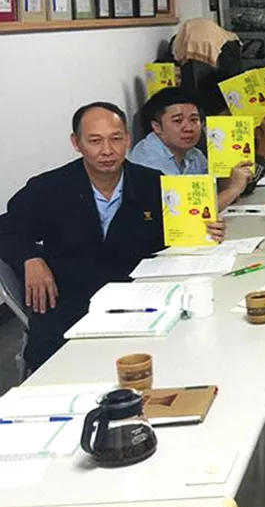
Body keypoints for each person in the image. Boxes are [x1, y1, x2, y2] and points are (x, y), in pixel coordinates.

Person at [0, 103, 225, 372]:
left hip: (139, 296)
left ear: (128, 139)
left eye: (116, 139)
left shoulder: (152, 183)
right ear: (76, 143)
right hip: (71, 298)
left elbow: (174, 236)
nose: (107, 150)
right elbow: (5, 229)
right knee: (54, 363)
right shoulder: (49, 188)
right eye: (95, 141)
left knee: (190, 347)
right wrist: (30, 257)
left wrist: (203, 229)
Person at [128, 88, 253, 210]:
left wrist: (233, 176)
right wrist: (233, 189)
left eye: (194, 120)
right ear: (157, 127)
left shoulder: (194, 153)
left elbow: (210, 192)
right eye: (177, 121)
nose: (188, 128)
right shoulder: (149, 159)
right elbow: (186, 211)